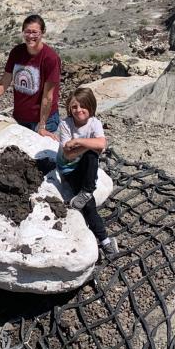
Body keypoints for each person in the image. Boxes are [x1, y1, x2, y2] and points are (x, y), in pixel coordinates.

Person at [0, 14, 61, 137]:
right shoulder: (17, 52)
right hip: (20, 118)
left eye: (35, 32)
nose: (30, 36)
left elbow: (48, 97)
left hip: (44, 121)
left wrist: (42, 126)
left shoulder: (50, 58)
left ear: (42, 33)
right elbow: (4, 82)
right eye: (27, 32)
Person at [55, 87, 118, 259]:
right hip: (69, 169)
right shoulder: (65, 124)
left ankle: (87, 191)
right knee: (89, 205)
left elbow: (102, 144)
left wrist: (78, 142)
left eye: (83, 106)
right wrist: (90, 144)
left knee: (91, 155)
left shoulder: (94, 123)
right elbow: (68, 154)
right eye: (74, 107)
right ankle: (105, 241)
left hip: (85, 166)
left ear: (90, 107)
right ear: (69, 108)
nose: (78, 110)